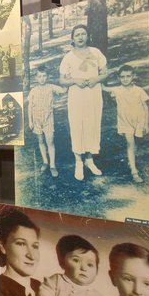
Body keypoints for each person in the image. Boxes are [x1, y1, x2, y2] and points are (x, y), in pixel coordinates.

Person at [59, 24, 108, 181]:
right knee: (77, 125)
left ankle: (89, 160)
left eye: (83, 34)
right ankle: (78, 162)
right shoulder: (68, 57)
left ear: (87, 36)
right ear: (73, 38)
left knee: (92, 124)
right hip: (76, 95)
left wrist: (96, 79)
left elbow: (105, 72)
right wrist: (75, 80)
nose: (80, 37)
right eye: (77, 34)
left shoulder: (96, 52)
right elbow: (62, 79)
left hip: (93, 94)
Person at [103, 65, 149, 183]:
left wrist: (146, 124)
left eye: (128, 76)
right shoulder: (117, 90)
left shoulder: (139, 90)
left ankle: (131, 160)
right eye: (122, 77)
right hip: (125, 122)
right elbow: (103, 87)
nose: (125, 79)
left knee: (136, 143)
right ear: (119, 78)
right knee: (130, 143)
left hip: (139, 121)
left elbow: (145, 107)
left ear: (133, 76)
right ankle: (134, 171)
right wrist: (106, 73)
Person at [0, 207, 43, 296]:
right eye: (21, 243)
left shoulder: (40, 286)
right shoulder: (2, 290)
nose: (31, 256)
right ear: (3, 247)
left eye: (35, 246)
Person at [26, 69, 65, 177]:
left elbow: (63, 90)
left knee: (50, 141)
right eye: (39, 76)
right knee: (40, 140)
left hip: (48, 119)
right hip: (37, 120)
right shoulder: (33, 91)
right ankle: (45, 162)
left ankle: (52, 165)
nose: (42, 78)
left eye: (44, 76)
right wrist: (30, 121)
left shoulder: (51, 87)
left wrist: (66, 79)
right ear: (36, 78)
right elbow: (29, 107)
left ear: (47, 76)